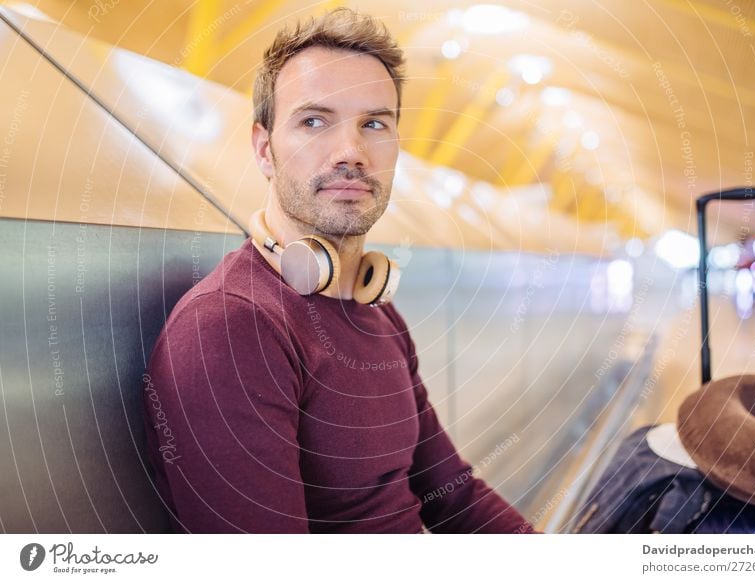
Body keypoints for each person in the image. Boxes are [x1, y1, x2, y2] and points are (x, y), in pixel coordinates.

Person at [142, 7, 535, 534]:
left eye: (374, 123)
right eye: (314, 121)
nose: (351, 152)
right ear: (264, 150)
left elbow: (454, 498)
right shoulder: (232, 329)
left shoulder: (377, 313)